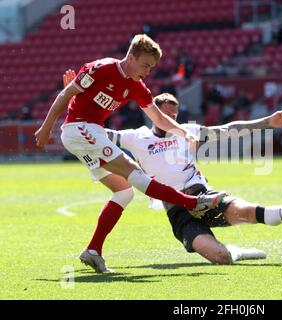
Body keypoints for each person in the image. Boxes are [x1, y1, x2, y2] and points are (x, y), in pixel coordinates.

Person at [34, 34, 225, 273]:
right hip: (80, 128)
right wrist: (46, 127)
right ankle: (192, 202)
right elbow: (66, 94)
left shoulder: (136, 85)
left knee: (124, 192)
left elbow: (157, 117)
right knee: (134, 172)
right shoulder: (101, 68)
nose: (147, 72)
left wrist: (182, 132)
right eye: (145, 65)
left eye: (151, 68)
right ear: (131, 57)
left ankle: (93, 250)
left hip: (91, 133)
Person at [105, 92, 282, 265]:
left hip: (202, 194)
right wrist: (73, 107)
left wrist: (267, 122)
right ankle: (235, 252)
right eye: (165, 115)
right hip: (177, 209)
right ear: (154, 114)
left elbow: (227, 129)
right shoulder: (135, 137)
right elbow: (99, 134)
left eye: (174, 115)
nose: (170, 120)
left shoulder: (188, 131)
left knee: (245, 212)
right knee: (221, 258)